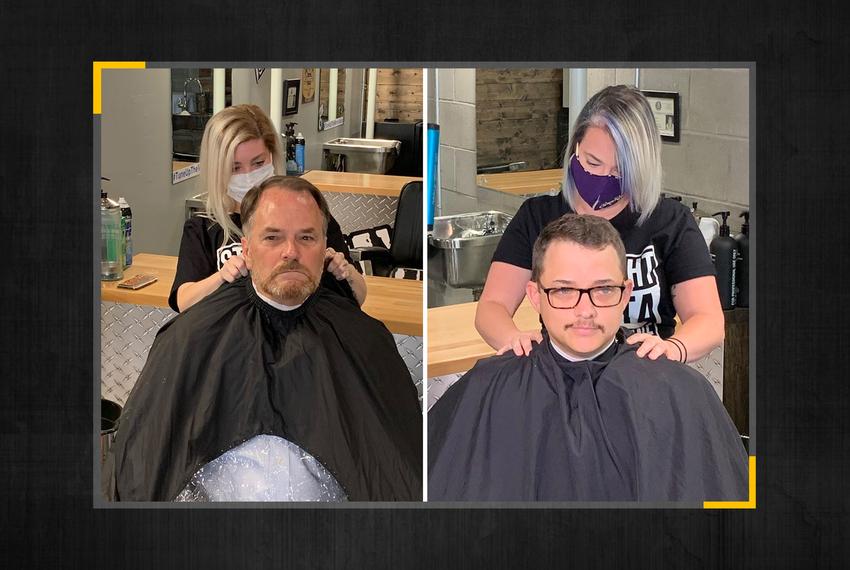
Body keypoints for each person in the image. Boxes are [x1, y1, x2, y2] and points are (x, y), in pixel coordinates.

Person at [103, 176, 421, 502]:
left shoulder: (362, 340)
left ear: (325, 247)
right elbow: (143, 465)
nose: (291, 252)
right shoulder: (193, 337)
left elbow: (394, 470)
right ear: (247, 250)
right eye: (272, 237)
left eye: (307, 238)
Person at [429, 214, 747, 502]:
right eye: (564, 290)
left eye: (603, 289)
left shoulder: (681, 392)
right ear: (536, 296)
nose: (585, 311)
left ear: (625, 294)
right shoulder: (488, 388)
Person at [475, 85, 723, 363]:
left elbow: (709, 320)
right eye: (593, 162)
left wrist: (673, 349)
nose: (604, 176)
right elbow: (491, 307)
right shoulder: (537, 216)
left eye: (620, 171)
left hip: (643, 381)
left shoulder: (670, 221)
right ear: (576, 148)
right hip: (561, 379)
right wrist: (512, 339)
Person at [168, 104, 366, 313]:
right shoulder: (203, 229)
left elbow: (359, 298)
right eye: (235, 168)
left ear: (272, 156)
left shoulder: (310, 218)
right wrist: (222, 276)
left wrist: (346, 272)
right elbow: (183, 302)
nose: (249, 175)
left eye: (258, 163)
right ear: (218, 169)